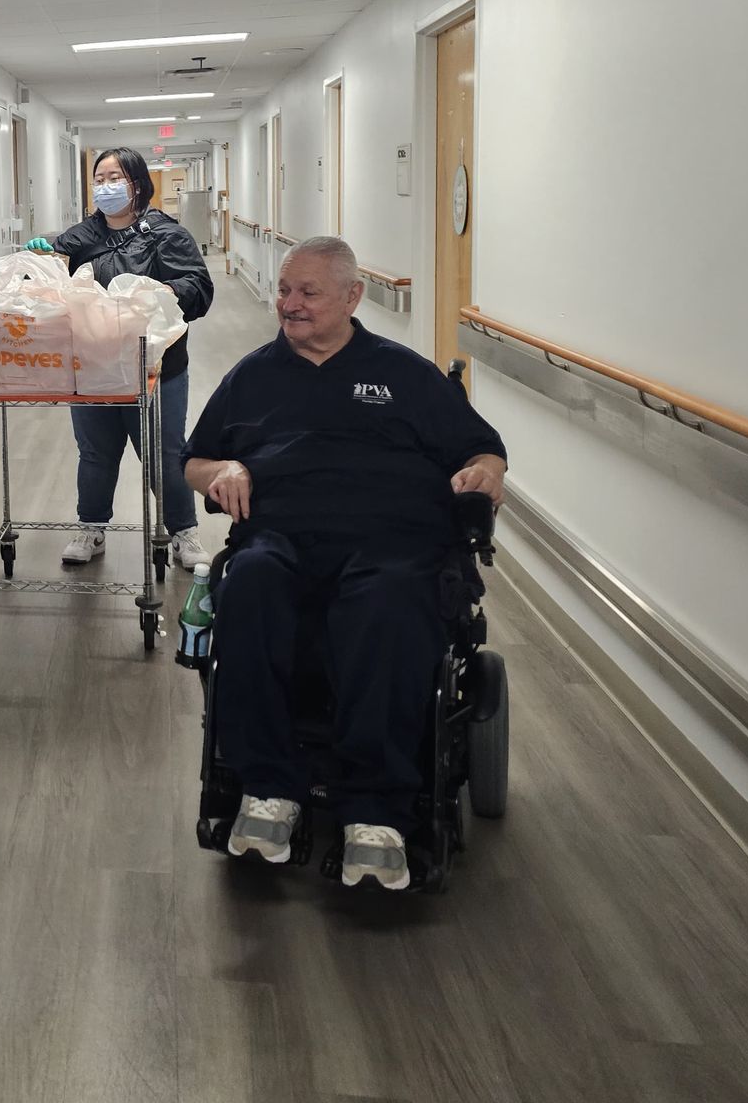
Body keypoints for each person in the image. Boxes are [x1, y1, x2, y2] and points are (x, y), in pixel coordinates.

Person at [182, 236, 506, 889]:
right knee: (249, 583)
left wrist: (483, 472)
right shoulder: (253, 376)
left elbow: (482, 449)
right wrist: (222, 470)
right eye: (284, 290)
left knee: (390, 600)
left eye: (309, 292)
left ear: (354, 297)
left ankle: (377, 813)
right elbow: (195, 459)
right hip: (281, 538)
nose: (290, 304)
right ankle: (267, 790)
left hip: (391, 543)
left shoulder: (404, 374)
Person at [25, 148, 214, 570]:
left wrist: (161, 293)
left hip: (155, 366)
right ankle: (91, 527)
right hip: (93, 366)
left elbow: (199, 288)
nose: (105, 187)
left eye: (115, 178)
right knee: (95, 451)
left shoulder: (166, 234)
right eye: (99, 179)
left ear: (138, 183)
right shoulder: (81, 236)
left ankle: (184, 532)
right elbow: (49, 277)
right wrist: (37, 259)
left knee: (163, 451)